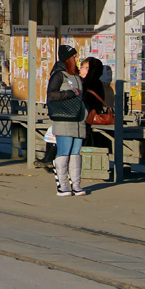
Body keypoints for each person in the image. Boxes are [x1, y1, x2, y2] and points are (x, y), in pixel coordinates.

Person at [47, 44, 87, 197]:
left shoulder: (76, 75)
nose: (76, 59)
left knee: (76, 152)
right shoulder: (59, 75)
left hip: (78, 119)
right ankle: (62, 186)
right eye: (74, 57)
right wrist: (70, 93)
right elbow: (51, 95)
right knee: (64, 152)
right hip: (64, 118)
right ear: (67, 59)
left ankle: (76, 184)